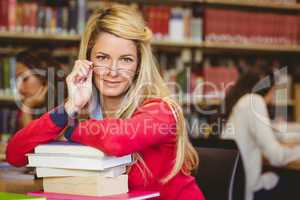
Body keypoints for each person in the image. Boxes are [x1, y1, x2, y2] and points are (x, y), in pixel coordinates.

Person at [6, 4, 205, 200]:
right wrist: (69, 107)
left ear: (138, 65)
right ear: (88, 61)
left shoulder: (162, 110)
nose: (113, 71)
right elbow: (15, 154)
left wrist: (71, 130)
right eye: (103, 57)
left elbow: (118, 140)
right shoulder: (85, 112)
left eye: (126, 59)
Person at [221, 68, 300, 200]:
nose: (273, 97)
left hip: (235, 187)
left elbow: (270, 135)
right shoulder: (254, 101)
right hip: (247, 191)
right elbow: (277, 157)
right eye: (275, 90)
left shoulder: (242, 103)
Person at [15, 50, 66, 128]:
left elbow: (31, 139)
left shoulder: (65, 112)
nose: (20, 89)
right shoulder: (25, 109)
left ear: (44, 79)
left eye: (25, 79)